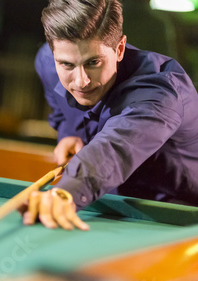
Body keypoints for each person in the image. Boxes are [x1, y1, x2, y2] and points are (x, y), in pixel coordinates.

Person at [19, 0, 198, 231]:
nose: (81, 81)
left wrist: (65, 193)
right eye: (67, 64)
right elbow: (62, 112)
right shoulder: (47, 62)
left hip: (181, 215)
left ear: (120, 49)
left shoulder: (159, 93)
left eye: (93, 62)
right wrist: (70, 135)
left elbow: (113, 150)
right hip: (107, 205)